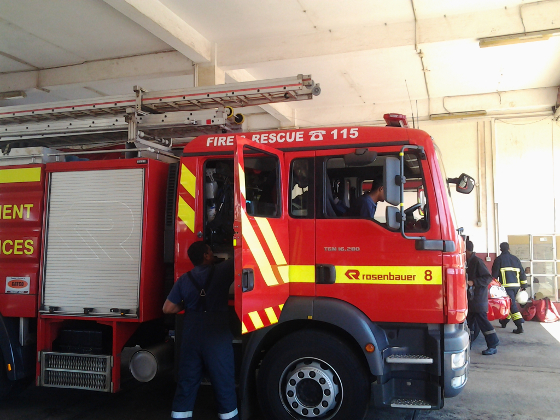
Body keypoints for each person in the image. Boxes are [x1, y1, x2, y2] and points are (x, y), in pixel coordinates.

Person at [163, 241, 238, 420]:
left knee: (187, 382)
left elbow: (167, 308)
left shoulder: (184, 279)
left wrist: (187, 304)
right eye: (210, 251)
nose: (212, 254)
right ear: (205, 255)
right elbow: (243, 258)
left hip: (191, 333)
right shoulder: (221, 271)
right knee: (223, 382)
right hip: (216, 335)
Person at [466, 240, 500, 355]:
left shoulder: (477, 261)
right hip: (471, 300)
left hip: (478, 299)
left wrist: (473, 282)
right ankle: (468, 344)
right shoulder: (467, 261)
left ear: (465, 250)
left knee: (483, 323)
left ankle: (493, 344)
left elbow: (487, 278)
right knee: (469, 324)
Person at [492, 242, 528, 334]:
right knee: (509, 304)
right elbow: (522, 273)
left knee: (511, 305)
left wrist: (494, 286)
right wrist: (523, 286)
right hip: (516, 287)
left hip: (506, 287)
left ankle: (519, 325)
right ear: (509, 248)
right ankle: (504, 322)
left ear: (500, 249)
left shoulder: (499, 259)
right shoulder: (515, 259)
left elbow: (494, 276)